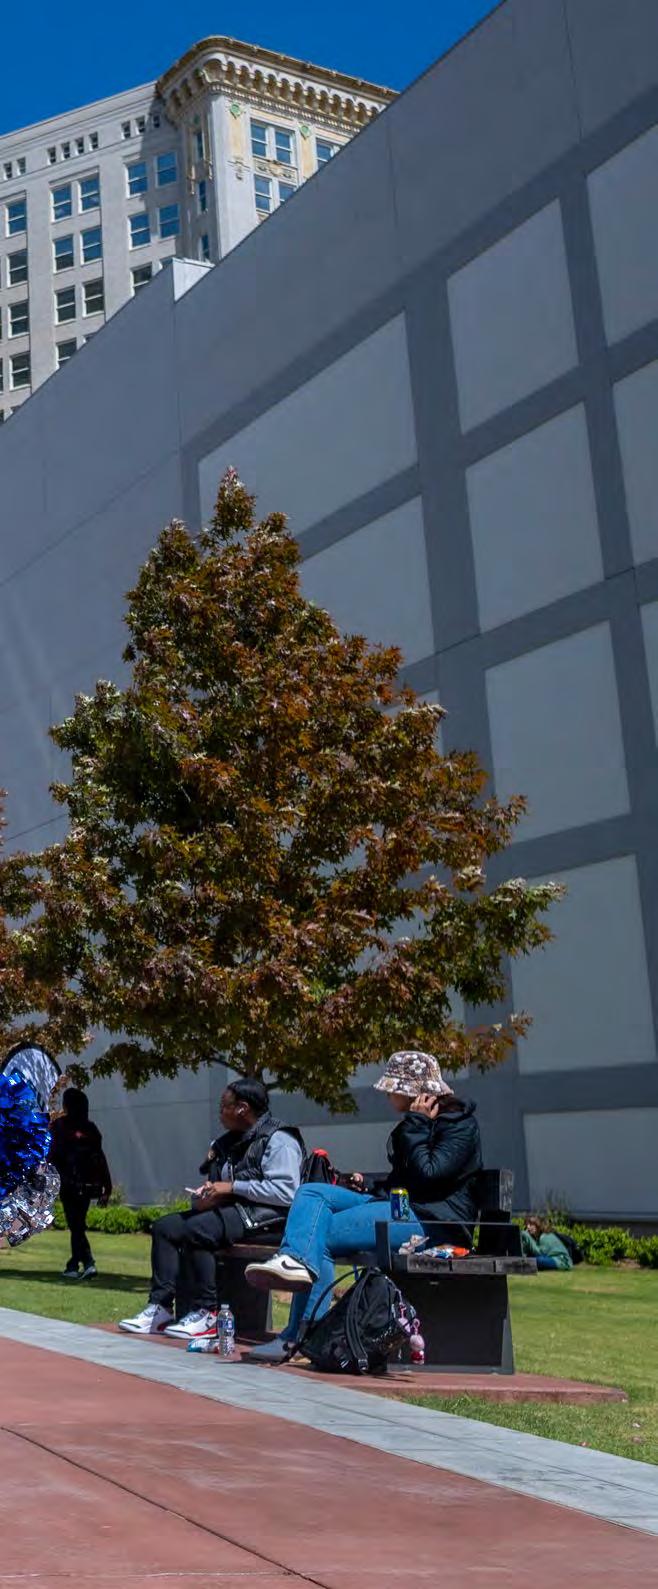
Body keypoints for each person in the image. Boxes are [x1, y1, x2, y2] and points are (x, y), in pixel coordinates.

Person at [245, 1049, 483, 1362]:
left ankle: (300, 1337)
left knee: (321, 1236)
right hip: (402, 1206)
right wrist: (368, 1185)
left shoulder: (458, 1125)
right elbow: (407, 1180)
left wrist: (416, 1124)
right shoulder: (419, 1123)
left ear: (411, 1092)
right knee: (312, 1192)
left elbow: (429, 1174)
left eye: (392, 1089)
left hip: (433, 1222)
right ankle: (293, 1261)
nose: (387, 1094)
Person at [119, 1078, 304, 1339]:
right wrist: (206, 1198)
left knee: (198, 1230)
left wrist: (232, 1188)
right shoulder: (228, 1142)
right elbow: (221, 1185)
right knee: (165, 1227)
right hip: (236, 1211)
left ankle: (207, 1312)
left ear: (242, 1108)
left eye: (224, 1106)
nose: (220, 1112)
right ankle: (160, 1308)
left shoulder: (279, 1139)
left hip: (271, 1217)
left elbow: (287, 1192)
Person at [48, 1087, 112, 1281]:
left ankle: (87, 1262)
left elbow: (52, 1155)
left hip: (68, 1182)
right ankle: (75, 1263)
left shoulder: (60, 1126)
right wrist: (107, 1186)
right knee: (78, 1223)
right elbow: (100, 1157)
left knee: (75, 1225)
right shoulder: (91, 1129)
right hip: (88, 1184)